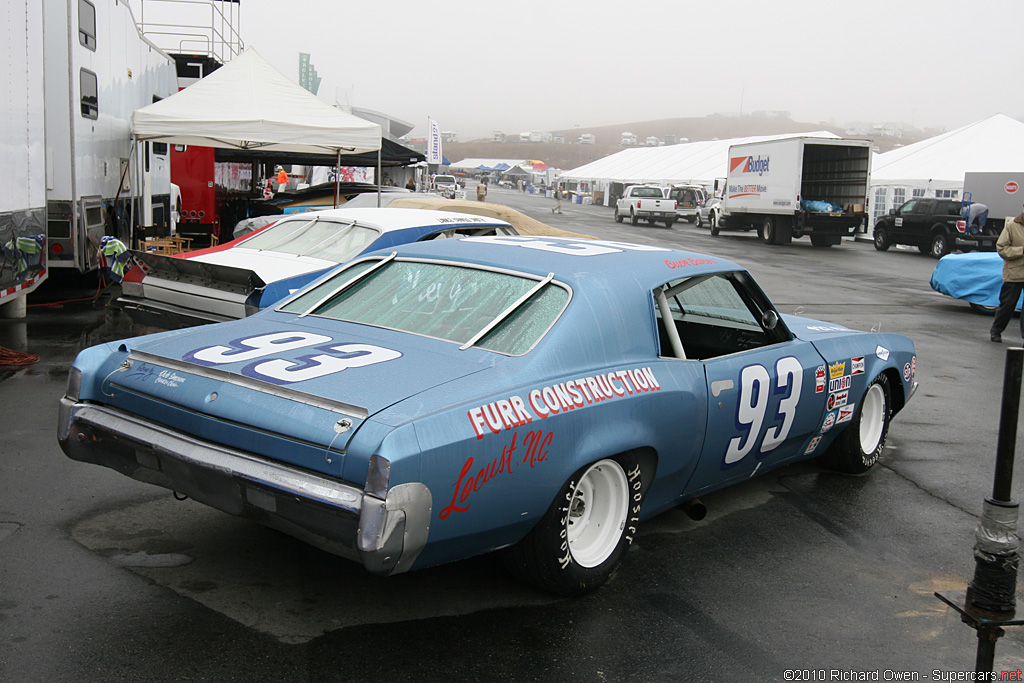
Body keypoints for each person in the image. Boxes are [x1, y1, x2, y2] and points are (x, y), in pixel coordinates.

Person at [990, 205, 1024, 342]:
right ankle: (996, 331)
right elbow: (1001, 248)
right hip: (1014, 273)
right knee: (1007, 305)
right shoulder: (1012, 226)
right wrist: (1021, 250)